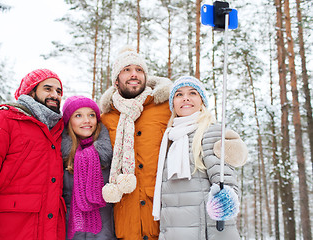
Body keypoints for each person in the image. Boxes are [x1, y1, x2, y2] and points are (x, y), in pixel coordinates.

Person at [0, 69, 66, 240]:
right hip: (9, 229)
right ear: (31, 91)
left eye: (59, 91)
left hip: (49, 230)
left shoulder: (59, 131)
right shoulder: (5, 120)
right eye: (47, 89)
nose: (55, 95)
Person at [152, 76, 246, 239]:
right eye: (179, 94)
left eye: (192, 93)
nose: (185, 98)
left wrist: (224, 200)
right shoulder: (170, 139)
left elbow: (228, 186)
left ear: (201, 100)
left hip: (204, 233)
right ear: (173, 103)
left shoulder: (211, 132)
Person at [99, 46, 172, 240]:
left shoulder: (165, 107)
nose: (134, 74)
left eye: (139, 70)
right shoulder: (105, 117)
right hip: (125, 218)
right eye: (127, 70)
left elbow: (196, 127)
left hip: (161, 217)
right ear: (116, 80)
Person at [60, 96, 116, 240]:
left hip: (105, 233)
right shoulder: (60, 155)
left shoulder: (109, 153)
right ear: (68, 121)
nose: (87, 121)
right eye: (78, 115)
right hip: (70, 232)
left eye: (91, 115)